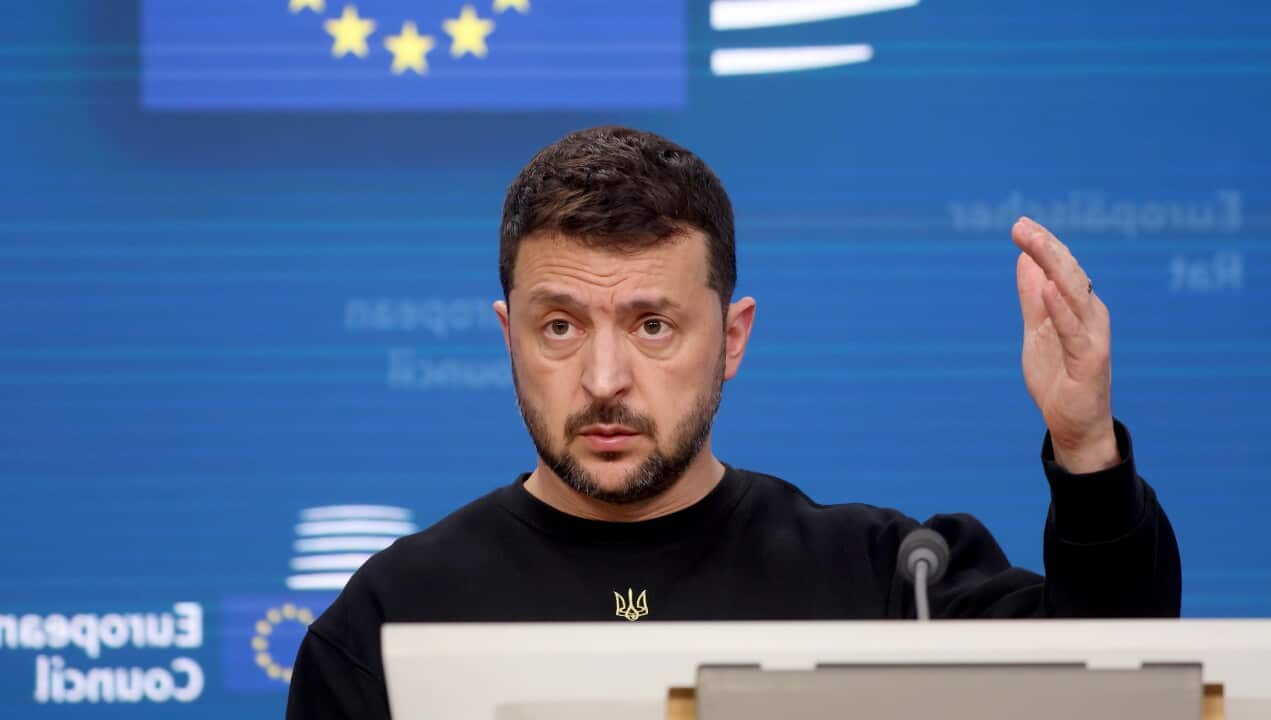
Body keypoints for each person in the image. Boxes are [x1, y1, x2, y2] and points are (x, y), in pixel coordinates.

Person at [285, 126, 1181, 718]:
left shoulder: (889, 580)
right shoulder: (391, 620)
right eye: (559, 326)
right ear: (507, 335)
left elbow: (1121, 688)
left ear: (732, 338)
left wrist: (1086, 448)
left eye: (653, 325)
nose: (604, 379)